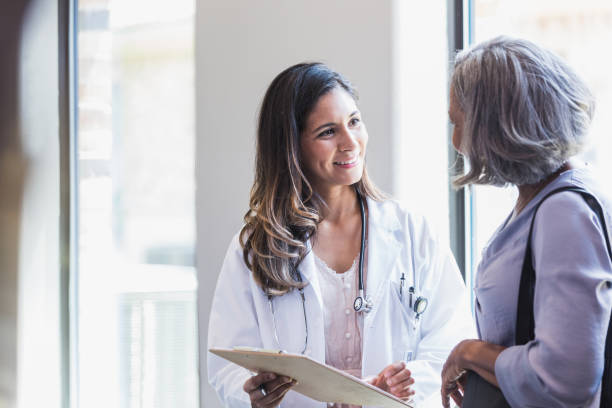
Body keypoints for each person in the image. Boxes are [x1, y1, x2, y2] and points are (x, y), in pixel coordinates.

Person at [207, 62, 474, 408]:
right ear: (292, 146)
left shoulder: (413, 233)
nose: (350, 143)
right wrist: (255, 392)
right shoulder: (255, 246)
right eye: (327, 132)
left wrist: (399, 384)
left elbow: (451, 344)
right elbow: (228, 366)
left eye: (354, 122)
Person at [441, 36, 612, 408]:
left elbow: (566, 379)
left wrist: (470, 353)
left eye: (457, 123)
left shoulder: (564, 213)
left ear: (496, 128)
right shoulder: (548, 195)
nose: (456, 141)